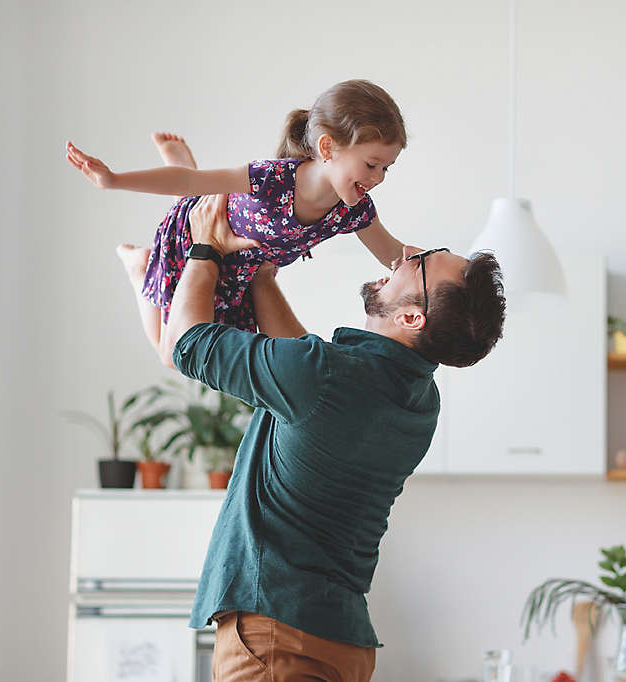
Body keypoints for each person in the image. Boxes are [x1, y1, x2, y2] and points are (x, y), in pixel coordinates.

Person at [165, 192, 506, 681]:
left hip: (276, 639)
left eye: (423, 263)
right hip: (340, 643)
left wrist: (205, 248)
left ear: (413, 317)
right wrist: (261, 276)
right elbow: (304, 375)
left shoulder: (324, 376)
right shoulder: (418, 399)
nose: (406, 255)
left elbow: (186, 342)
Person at [65, 79, 409, 365]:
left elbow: (394, 254)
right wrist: (113, 179)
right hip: (195, 241)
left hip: (239, 273)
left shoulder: (354, 210)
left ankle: (187, 173)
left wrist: (452, 267)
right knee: (172, 356)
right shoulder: (273, 179)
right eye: (371, 164)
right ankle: (140, 267)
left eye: (386, 168)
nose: (379, 178)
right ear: (327, 147)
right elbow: (186, 182)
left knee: (197, 355)